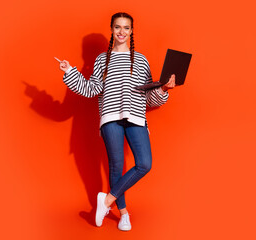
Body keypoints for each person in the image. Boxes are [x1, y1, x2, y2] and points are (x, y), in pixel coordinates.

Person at [57, 12, 175, 231]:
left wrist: (164, 89)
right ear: (112, 29)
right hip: (110, 117)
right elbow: (91, 89)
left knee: (144, 164)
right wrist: (70, 72)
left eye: (126, 28)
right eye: (118, 27)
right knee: (116, 166)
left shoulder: (141, 60)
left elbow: (149, 97)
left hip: (136, 117)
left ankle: (107, 200)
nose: (122, 32)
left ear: (131, 31)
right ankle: (123, 215)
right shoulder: (103, 60)